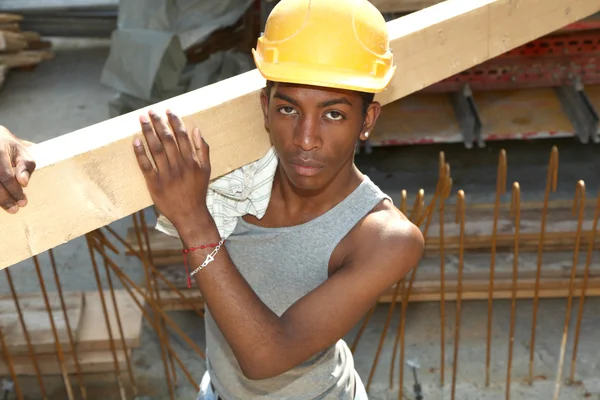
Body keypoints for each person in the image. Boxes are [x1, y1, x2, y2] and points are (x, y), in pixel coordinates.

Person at [0, 0, 424, 398]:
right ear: (264, 106)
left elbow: (266, 357)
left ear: (367, 119)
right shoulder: (240, 170)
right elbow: (98, 167)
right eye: (288, 109)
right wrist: (18, 147)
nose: (305, 140)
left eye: (334, 113)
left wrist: (193, 219)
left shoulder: (384, 237)